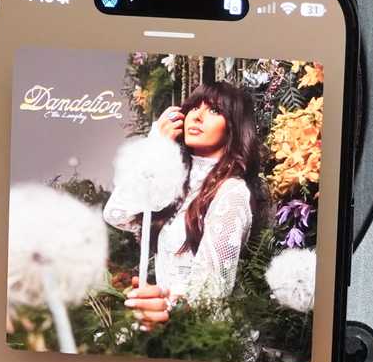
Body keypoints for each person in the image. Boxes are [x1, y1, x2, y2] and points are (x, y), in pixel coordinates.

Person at [102, 81, 261, 329]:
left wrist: (162, 307)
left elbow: (209, 294)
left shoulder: (232, 191)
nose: (197, 116)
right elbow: (116, 213)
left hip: (202, 335)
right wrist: (158, 149)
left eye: (214, 110)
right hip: (163, 327)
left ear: (233, 127)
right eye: (195, 107)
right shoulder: (175, 181)